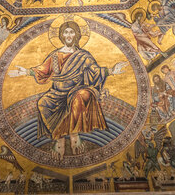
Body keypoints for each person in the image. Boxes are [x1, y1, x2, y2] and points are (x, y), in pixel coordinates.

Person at [8, 21, 127, 157]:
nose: (69, 35)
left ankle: (74, 135)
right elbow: (43, 71)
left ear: (76, 35)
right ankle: (59, 138)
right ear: (62, 35)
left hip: (77, 90)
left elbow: (95, 71)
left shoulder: (83, 55)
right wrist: (25, 72)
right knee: (42, 103)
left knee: (80, 96)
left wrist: (112, 71)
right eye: (66, 32)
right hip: (57, 92)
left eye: (71, 32)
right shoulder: (55, 55)